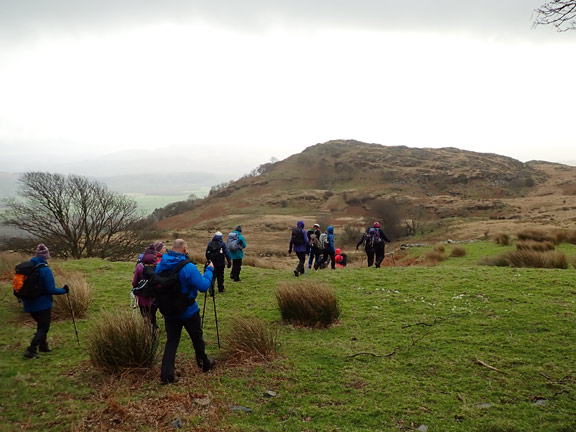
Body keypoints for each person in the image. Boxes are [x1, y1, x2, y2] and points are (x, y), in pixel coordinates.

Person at [156, 239, 215, 384]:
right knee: (197, 338)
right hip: (188, 311)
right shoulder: (188, 267)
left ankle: (166, 375)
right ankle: (204, 364)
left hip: (168, 311)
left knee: (171, 341)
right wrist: (209, 270)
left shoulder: (161, 265)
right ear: (184, 249)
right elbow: (203, 286)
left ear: (172, 249)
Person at [21, 244, 69, 359]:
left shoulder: (27, 268)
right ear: (46, 256)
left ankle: (43, 346)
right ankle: (31, 349)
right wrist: (64, 290)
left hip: (28, 303)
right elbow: (50, 289)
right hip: (42, 303)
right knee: (44, 327)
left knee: (41, 325)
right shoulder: (45, 269)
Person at [132, 244, 160, 330]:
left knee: (145, 316)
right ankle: (154, 331)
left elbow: (134, 283)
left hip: (142, 297)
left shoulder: (139, 267)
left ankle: (146, 334)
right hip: (154, 297)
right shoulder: (158, 267)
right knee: (153, 316)